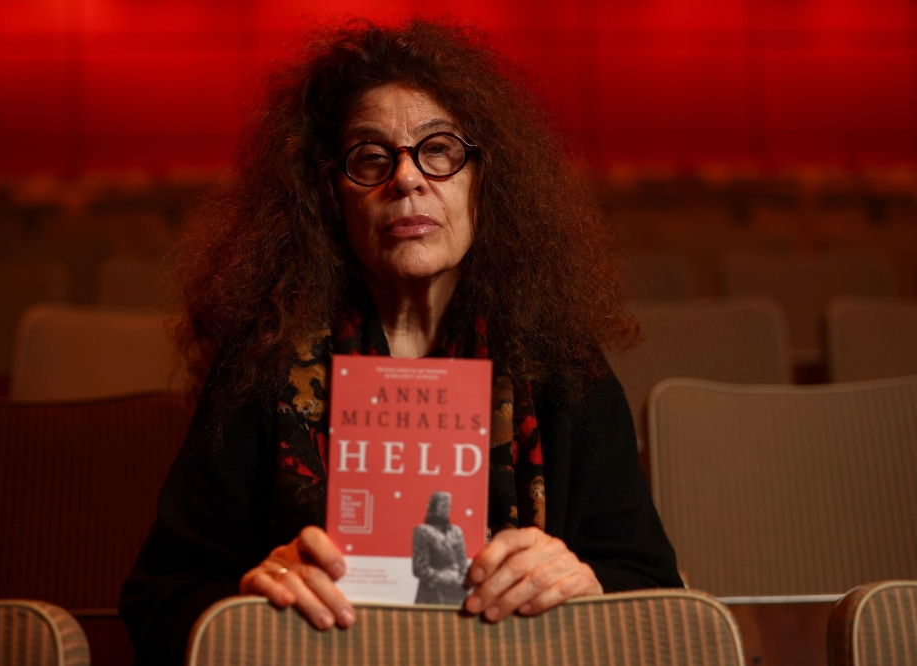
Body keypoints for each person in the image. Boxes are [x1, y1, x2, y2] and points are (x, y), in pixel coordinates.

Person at [120, 19, 684, 665]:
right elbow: (157, 604)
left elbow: (656, 597)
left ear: (484, 178)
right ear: (330, 197)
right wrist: (252, 598)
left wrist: (585, 585)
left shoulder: (564, 371)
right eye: (370, 158)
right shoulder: (263, 369)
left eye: (438, 149)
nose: (407, 180)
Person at [412, 492, 469, 605]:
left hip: (455, 595)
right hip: (431, 594)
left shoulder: (456, 532)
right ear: (434, 507)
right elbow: (420, 568)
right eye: (443, 506)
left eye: (448, 506)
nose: (446, 509)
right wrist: (447, 579)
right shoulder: (422, 531)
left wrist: (462, 581)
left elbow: (463, 562)